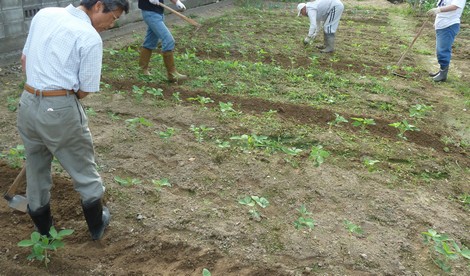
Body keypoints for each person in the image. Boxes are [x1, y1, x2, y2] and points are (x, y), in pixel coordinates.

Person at [18, 0, 129, 240]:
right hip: (59, 108)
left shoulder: (45, 14)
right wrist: (57, 102)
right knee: (83, 167)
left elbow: (25, 59)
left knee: (36, 167)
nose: (112, 24)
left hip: (27, 102)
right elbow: (85, 89)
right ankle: (97, 225)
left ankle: (43, 230)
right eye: (114, 17)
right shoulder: (89, 36)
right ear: (99, 6)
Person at [138, 0, 188, 82]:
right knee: (168, 40)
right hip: (150, 13)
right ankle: (172, 74)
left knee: (150, 41)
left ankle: (142, 70)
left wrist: (177, 2)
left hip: (158, 13)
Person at [427, 0, 467, 82]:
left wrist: (438, 10)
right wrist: (436, 21)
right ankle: (441, 71)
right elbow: (442, 6)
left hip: (449, 25)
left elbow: (454, 6)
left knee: (443, 50)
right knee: (440, 50)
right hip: (442, 24)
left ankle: (443, 75)